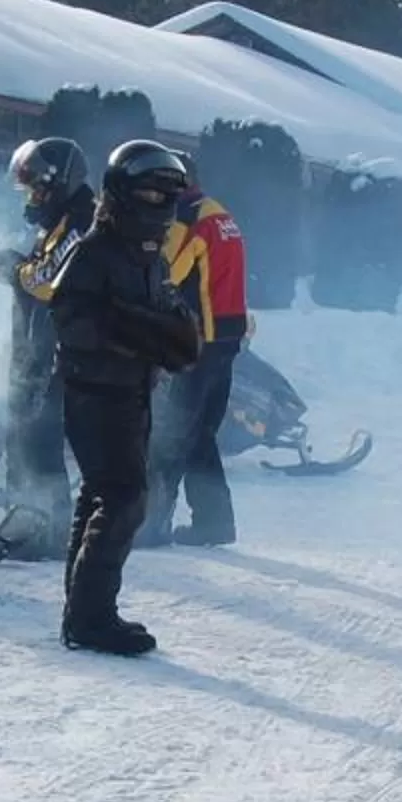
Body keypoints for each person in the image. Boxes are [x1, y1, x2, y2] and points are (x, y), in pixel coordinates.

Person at [49, 141, 202, 653]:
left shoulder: (149, 257)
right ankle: (92, 618)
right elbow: (73, 321)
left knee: (100, 495)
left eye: (167, 194)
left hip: (131, 391)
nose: (160, 202)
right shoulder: (94, 251)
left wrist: (167, 334)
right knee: (124, 498)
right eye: (150, 192)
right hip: (93, 393)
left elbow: (174, 319)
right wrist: (139, 331)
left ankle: (83, 613)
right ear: (123, 193)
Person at [143, 166, 250, 547]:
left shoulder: (187, 219)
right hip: (226, 337)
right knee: (200, 433)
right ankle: (214, 522)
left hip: (197, 341)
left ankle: (150, 524)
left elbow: (164, 274)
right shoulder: (218, 213)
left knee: (171, 431)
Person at [1, 138, 90, 559]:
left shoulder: (80, 221)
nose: (33, 197)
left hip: (58, 352)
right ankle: (26, 521)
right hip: (39, 349)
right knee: (24, 435)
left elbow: (46, 280)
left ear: (60, 182)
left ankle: (51, 531)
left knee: (41, 440)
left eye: (38, 187)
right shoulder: (60, 221)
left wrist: (13, 268)